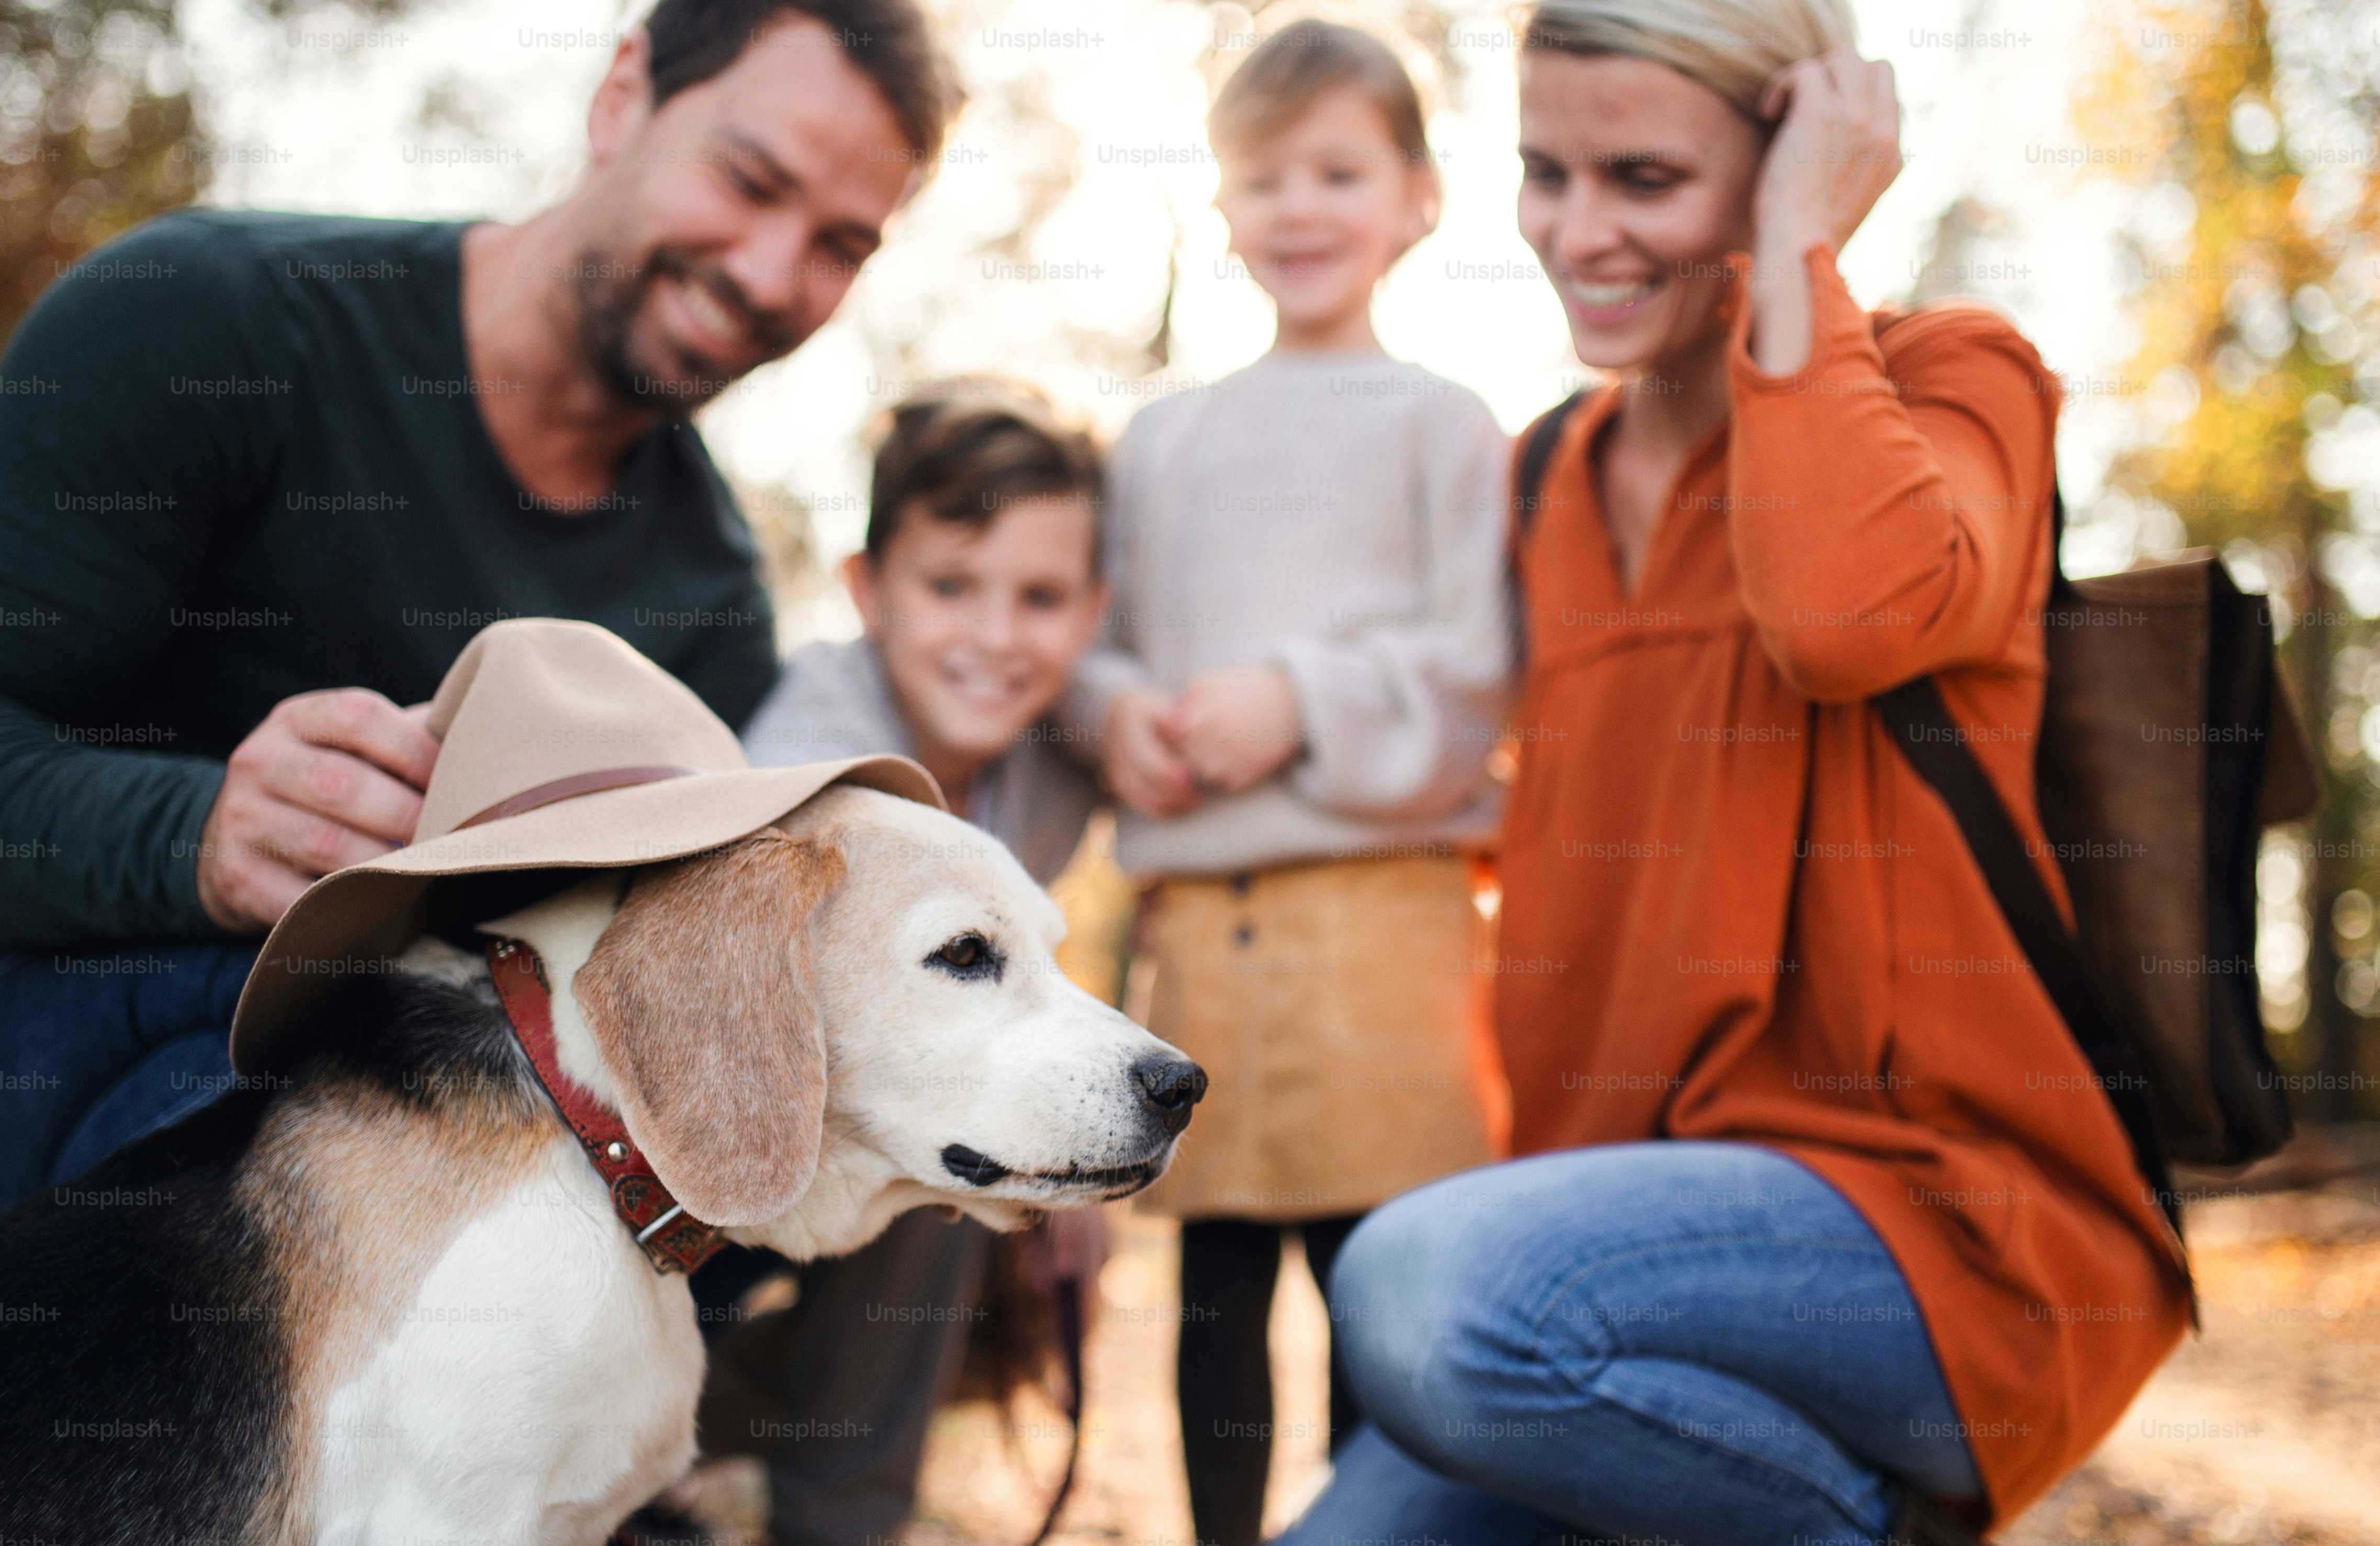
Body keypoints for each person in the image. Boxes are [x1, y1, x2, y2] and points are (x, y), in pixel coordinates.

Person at [1281, 4, 2192, 1544]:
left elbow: (1843, 617)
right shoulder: (1542, 474)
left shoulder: (1956, 383)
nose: (1577, 232)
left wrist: (1796, 250)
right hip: (1604, 1252)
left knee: (1420, 1291)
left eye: (1642, 176)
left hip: (1938, 1226)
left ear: (1794, 158)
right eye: (1543, 172)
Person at [0, 0, 957, 1208]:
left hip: (455, 1109)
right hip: (100, 1045)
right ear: (623, 95)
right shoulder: (200, 325)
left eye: (840, 246)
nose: (773, 272)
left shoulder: (711, 606)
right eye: (747, 177)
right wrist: (193, 833)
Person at [1057, 21, 1514, 1545]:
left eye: (1339, 169)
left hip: (1388, 926)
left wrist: (1298, 701)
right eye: (1265, 178)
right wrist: (1117, 713)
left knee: (1379, 1275)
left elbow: (1478, 669)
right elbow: (1092, 639)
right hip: (1205, 926)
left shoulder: (1444, 423)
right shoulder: (1163, 440)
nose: (1301, 207)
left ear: (1419, 196)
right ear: (1223, 206)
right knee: (1215, 1288)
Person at [705, 380, 1108, 1544]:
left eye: (1039, 598)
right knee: (942, 1140)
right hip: (711, 1138)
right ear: (866, 588)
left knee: (964, 1169)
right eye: (948, 587)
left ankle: (840, 1513)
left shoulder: (1055, 767)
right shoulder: (812, 758)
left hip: (858, 1207)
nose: (992, 635)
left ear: (1093, 613)